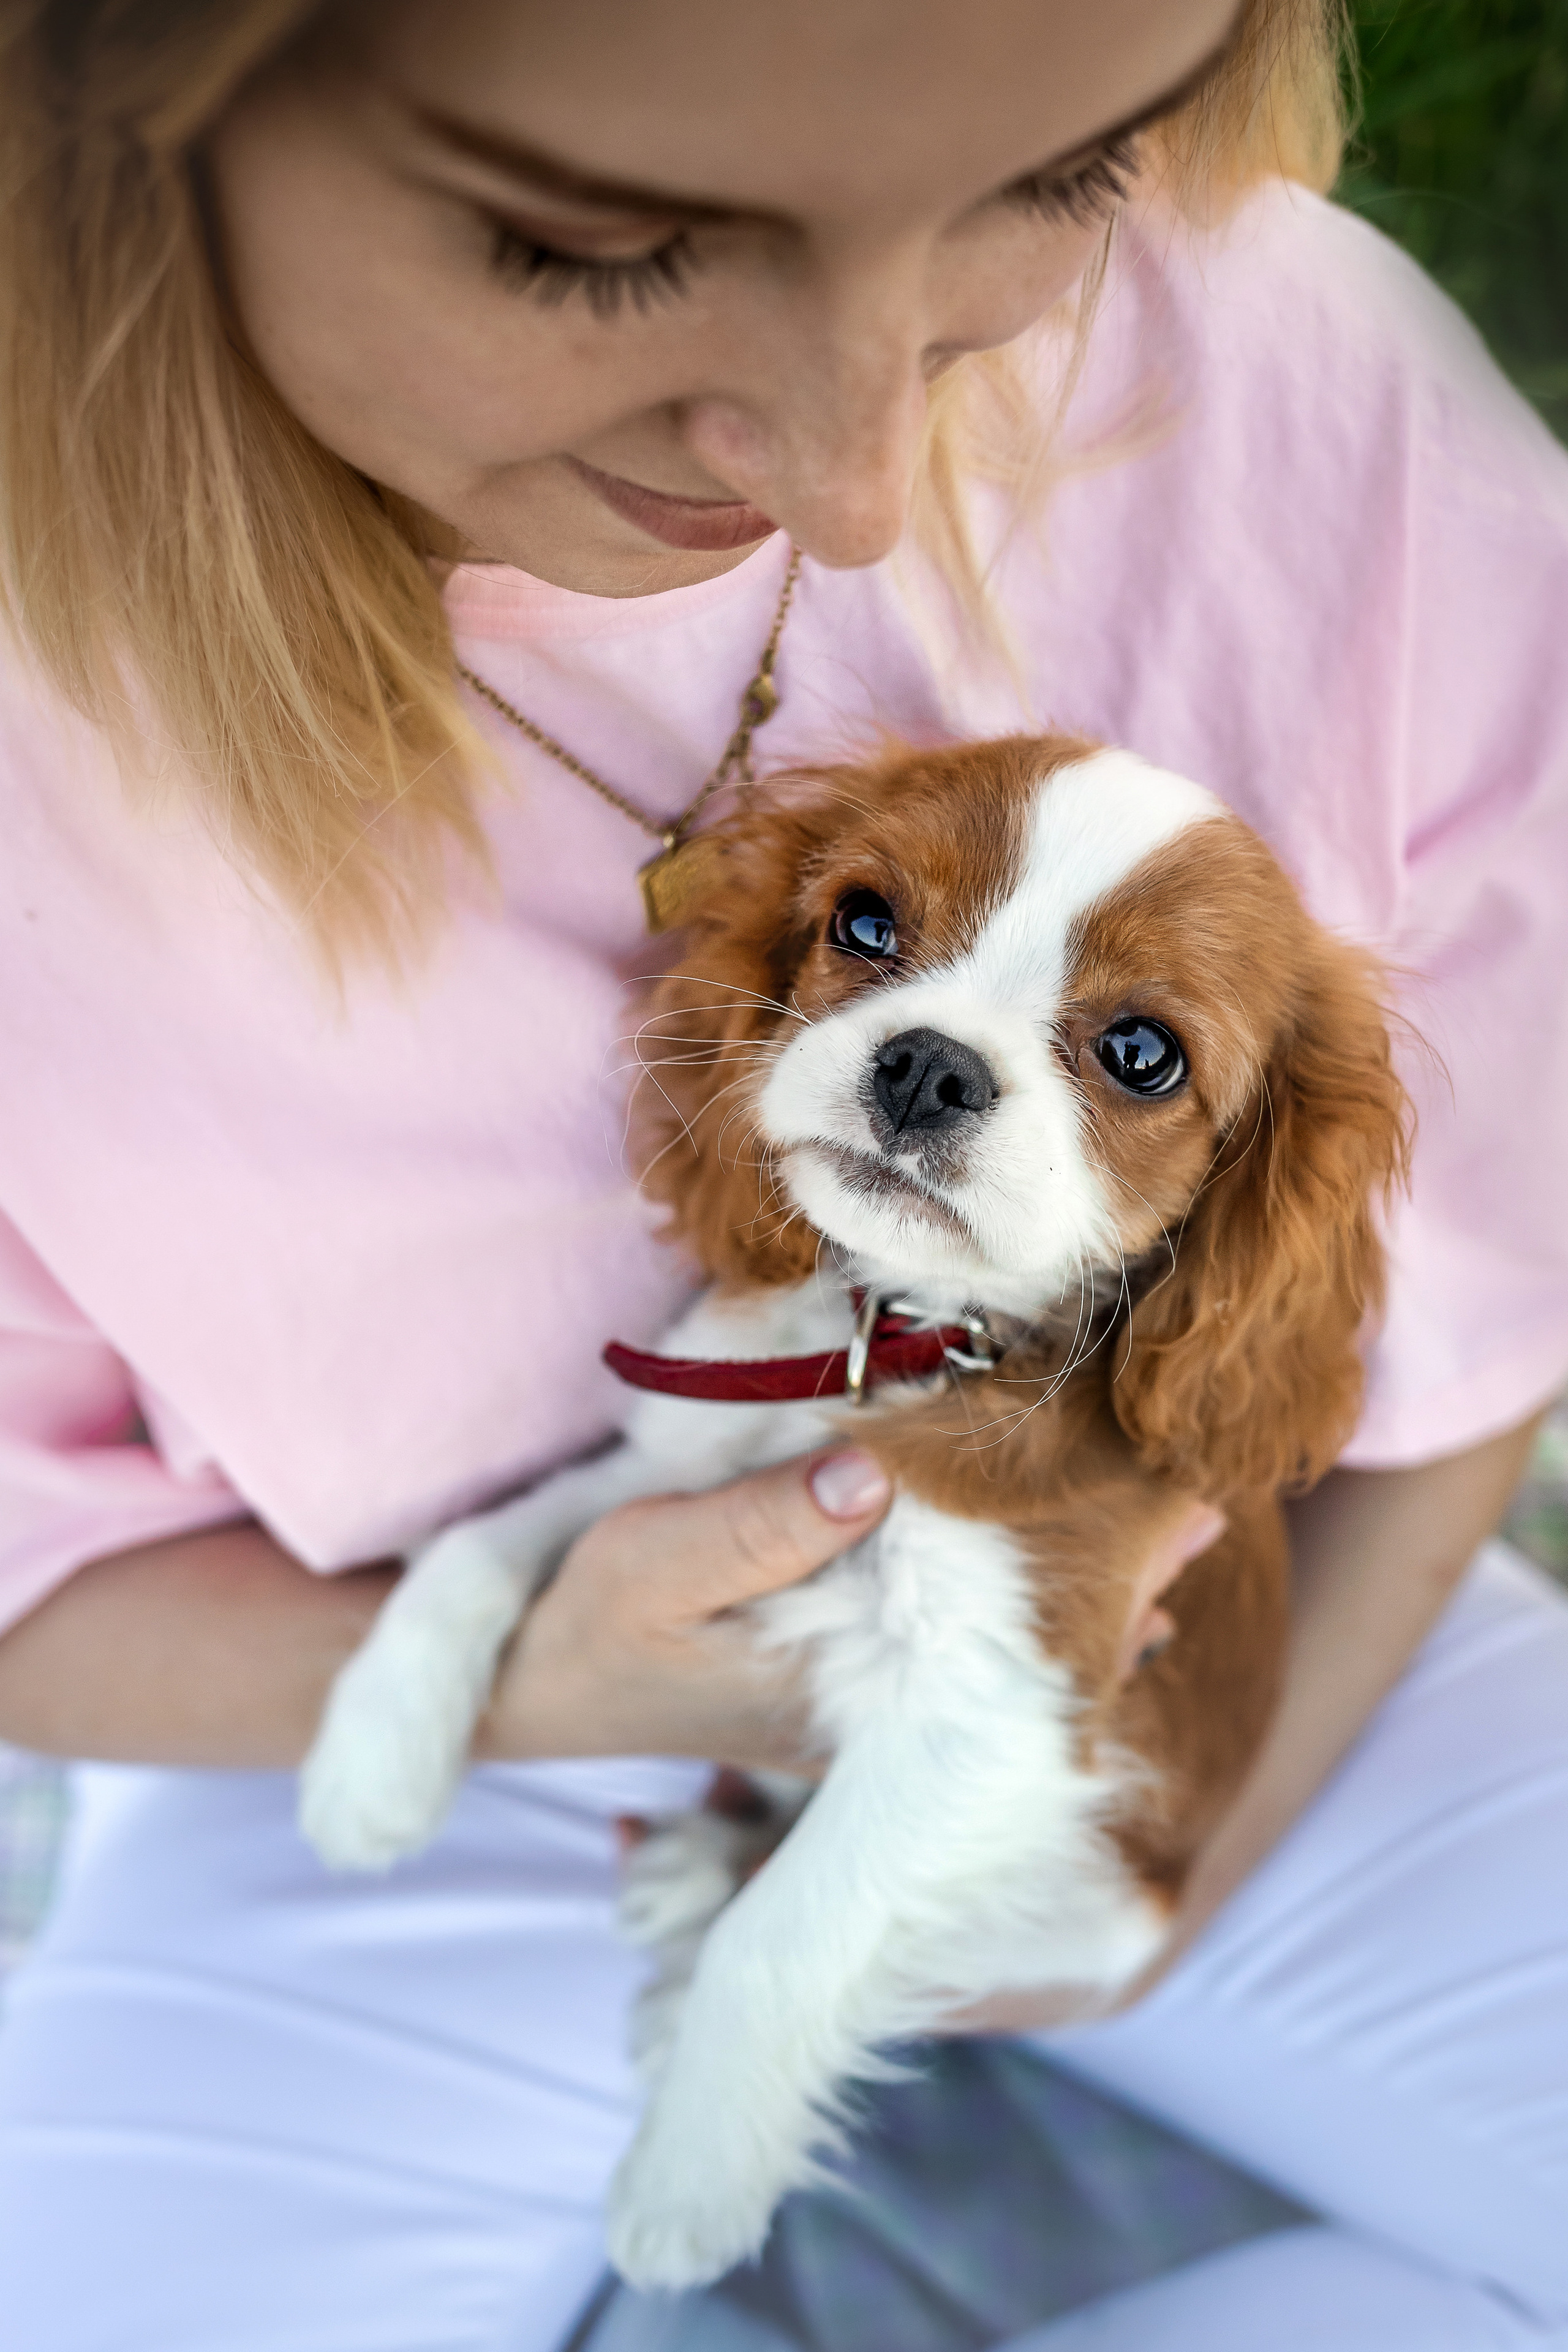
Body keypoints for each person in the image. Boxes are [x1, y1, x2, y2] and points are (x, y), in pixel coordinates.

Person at [0, 0, 1564, 2345]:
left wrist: (1157, 1859)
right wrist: (540, 1684)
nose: (853, 472)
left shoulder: (1291, 381)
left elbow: (1469, 1310)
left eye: (1054, 176)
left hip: (1219, 1618)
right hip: (330, 1685)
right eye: (599, 245)